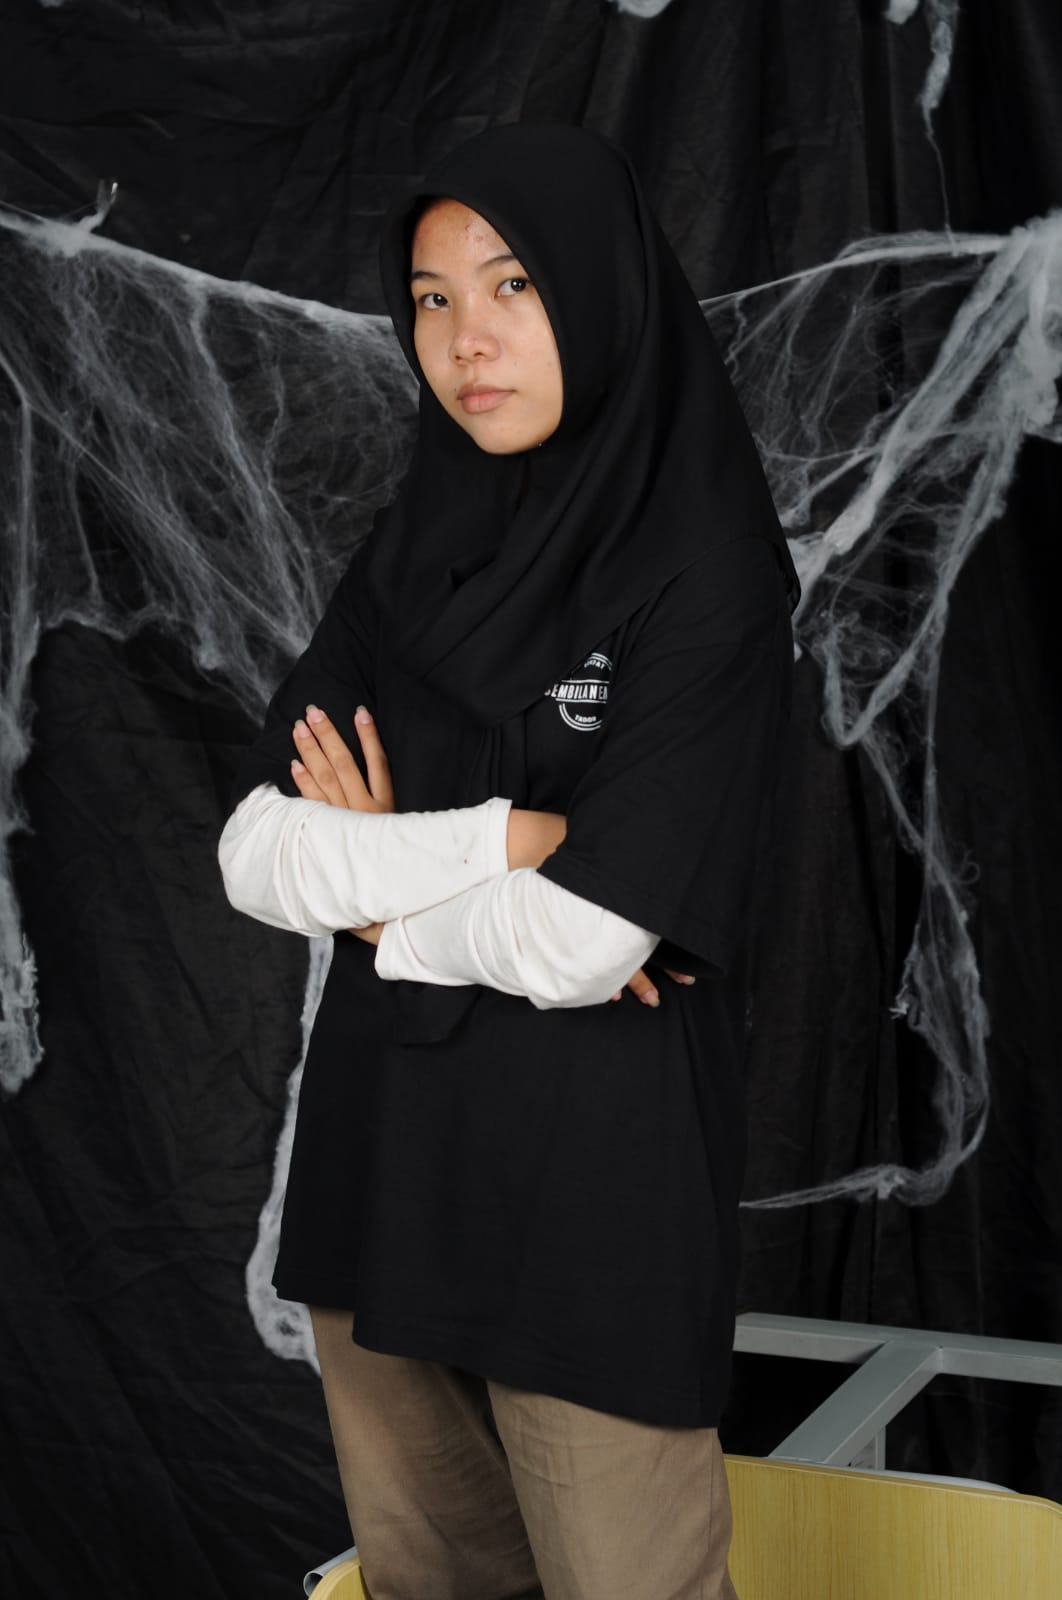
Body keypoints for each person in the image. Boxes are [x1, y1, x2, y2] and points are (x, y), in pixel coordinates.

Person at [219, 122, 799, 1600]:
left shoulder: (709, 571)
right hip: (378, 1170)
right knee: (427, 1586)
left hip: (587, 1199)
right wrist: (504, 842)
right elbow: (258, 853)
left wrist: (380, 904)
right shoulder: (413, 549)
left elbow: (589, 938)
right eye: (430, 298)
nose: (463, 340)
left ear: (598, 290)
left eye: (511, 285)